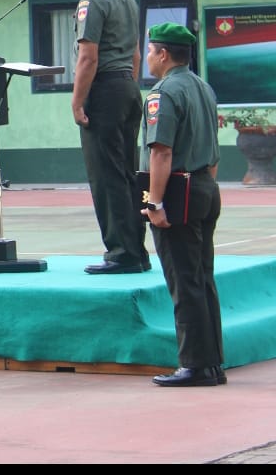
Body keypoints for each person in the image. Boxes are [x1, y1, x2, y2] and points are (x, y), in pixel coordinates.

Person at [139, 23, 225, 387]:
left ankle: (194, 365)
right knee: (202, 277)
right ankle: (212, 362)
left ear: (162, 54)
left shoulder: (164, 93)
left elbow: (161, 151)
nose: (147, 57)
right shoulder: (203, 88)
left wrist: (155, 202)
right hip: (206, 185)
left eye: (150, 50)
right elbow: (214, 145)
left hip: (179, 192)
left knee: (183, 279)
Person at [71, 0, 149, 274]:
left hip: (103, 90)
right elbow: (133, 54)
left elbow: (88, 57)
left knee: (106, 175)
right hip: (128, 88)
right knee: (127, 172)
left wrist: (77, 102)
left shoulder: (94, 0)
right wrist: (128, 86)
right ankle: (137, 250)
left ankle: (121, 253)